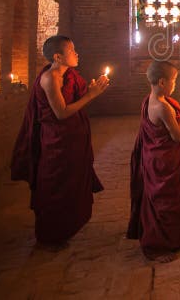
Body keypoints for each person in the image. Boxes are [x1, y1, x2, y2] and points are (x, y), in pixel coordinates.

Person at [10, 35, 110, 246]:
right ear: (58, 56)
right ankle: (50, 235)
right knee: (55, 184)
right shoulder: (51, 78)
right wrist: (91, 95)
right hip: (57, 140)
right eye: (72, 51)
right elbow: (61, 113)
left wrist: (91, 89)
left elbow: (77, 98)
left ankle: (68, 225)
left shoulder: (70, 74)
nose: (76, 54)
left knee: (71, 182)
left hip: (72, 138)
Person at [127, 61, 180, 261]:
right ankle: (157, 246)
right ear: (162, 82)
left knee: (166, 199)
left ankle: (177, 235)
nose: (174, 84)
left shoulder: (149, 100)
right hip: (165, 163)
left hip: (155, 158)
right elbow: (178, 135)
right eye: (173, 80)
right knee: (166, 200)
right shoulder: (162, 107)